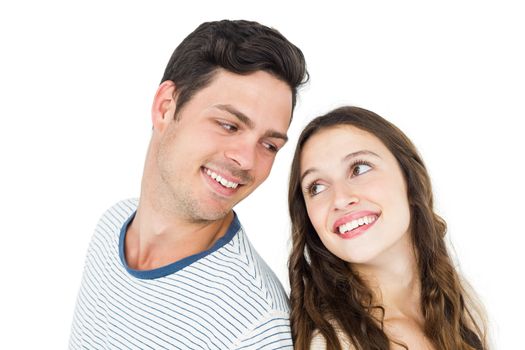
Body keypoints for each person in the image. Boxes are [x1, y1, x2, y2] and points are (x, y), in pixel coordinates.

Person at [69, 19, 308, 349]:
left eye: (269, 145)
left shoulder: (254, 323)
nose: (247, 161)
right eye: (228, 125)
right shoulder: (110, 229)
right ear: (166, 108)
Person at [288, 106, 487, 349]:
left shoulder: (460, 307)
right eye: (316, 187)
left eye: (359, 168)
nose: (340, 199)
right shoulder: (332, 343)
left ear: (410, 179)